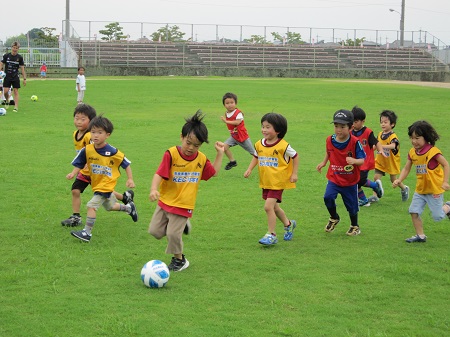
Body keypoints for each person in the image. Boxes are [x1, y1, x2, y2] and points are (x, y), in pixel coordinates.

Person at [148, 110, 224, 271]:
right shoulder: (171, 154)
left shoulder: (201, 158)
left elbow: (213, 173)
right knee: (155, 232)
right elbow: (159, 173)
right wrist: (154, 189)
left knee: (173, 234)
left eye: (196, 145)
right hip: (166, 200)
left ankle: (179, 260)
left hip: (184, 203)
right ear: (181, 137)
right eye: (188, 142)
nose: (191, 148)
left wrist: (220, 154)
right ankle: (183, 226)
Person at [66, 115, 138, 242]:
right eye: (93, 132)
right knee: (109, 207)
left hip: (106, 185)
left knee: (91, 206)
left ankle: (86, 233)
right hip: (96, 184)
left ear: (107, 135)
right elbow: (80, 163)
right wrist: (73, 173)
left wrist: (130, 179)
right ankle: (129, 208)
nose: (96, 135)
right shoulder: (87, 149)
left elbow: (126, 163)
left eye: (100, 132)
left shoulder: (112, 151)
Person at [244, 112, 299, 245]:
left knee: (268, 207)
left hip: (278, 181)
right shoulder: (259, 144)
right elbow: (256, 156)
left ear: (278, 130)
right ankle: (288, 224)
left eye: (268, 127)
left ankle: (271, 234)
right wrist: (250, 168)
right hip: (266, 181)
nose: (264, 130)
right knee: (274, 208)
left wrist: (294, 173)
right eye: (263, 126)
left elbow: (295, 156)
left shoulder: (283, 145)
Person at [392, 120, 450, 243]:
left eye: (417, 138)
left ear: (426, 137)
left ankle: (448, 207)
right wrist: (399, 180)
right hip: (420, 190)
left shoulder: (433, 152)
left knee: (438, 216)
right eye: (411, 138)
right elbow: (407, 168)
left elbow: (446, 165)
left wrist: (445, 182)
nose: (414, 141)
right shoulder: (412, 152)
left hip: (434, 189)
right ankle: (420, 236)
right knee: (413, 211)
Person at [316, 109, 366, 236]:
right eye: (336, 126)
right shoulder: (329, 140)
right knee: (328, 197)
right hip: (334, 177)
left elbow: (362, 160)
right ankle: (334, 217)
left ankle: (355, 226)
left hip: (350, 181)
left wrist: (354, 160)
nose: (338, 129)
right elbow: (329, 152)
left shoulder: (355, 142)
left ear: (351, 127)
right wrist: (323, 162)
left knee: (352, 206)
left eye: (342, 127)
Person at [369, 110, 409, 203]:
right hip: (380, 160)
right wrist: (369, 151)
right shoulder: (380, 134)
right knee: (376, 177)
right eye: (381, 122)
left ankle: (404, 188)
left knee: (393, 180)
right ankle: (375, 196)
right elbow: (375, 145)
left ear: (392, 124)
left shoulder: (393, 136)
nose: (383, 124)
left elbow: (393, 146)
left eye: (385, 122)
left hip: (391, 162)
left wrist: (381, 146)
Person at [351, 106, 385, 207]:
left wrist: (381, 150)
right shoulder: (350, 131)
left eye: (356, 121)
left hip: (365, 162)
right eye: (352, 121)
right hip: (355, 162)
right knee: (355, 182)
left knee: (358, 182)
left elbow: (376, 142)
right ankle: (372, 189)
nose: (353, 124)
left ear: (363, 121)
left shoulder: (368, 132)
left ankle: (365, 198)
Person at [220, 92, 254, 170]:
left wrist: (226, 121)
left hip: (242, 137)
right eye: (227, 103)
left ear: (235, 103)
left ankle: (265, 164)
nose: (230, 104)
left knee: (254, 153)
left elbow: (237, 122)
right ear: (224, 105)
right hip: (234, 136)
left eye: (232, 102)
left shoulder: (238, 113)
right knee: (224, 147)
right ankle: (232, 161)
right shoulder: (227, 113)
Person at [0, 41, 26, 112]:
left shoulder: (19, 58)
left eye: (16, 48)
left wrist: (24, 78)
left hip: (15, 77)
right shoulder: (6, 56)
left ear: (18, 49)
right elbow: (1, 63)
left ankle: (16, 107)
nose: (15, 49)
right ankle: (7, 99)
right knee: (5, 91)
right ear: (11, 48)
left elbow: (22, 68)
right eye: (14, 47)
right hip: (7, 76)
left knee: (15, 91)